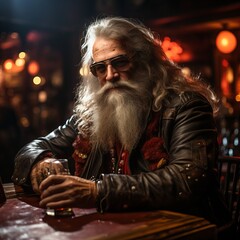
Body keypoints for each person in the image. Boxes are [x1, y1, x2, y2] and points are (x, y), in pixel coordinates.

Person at [12, 17, 233, 237]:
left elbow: (188, 180)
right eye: (100, 68)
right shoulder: (91, 115)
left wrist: (96, 191)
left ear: (146, 62)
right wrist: (41, 162)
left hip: (188, 231)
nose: (110, 75)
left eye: (120, 62)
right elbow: (33, 149)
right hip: (117, 229)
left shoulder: (187, 105)